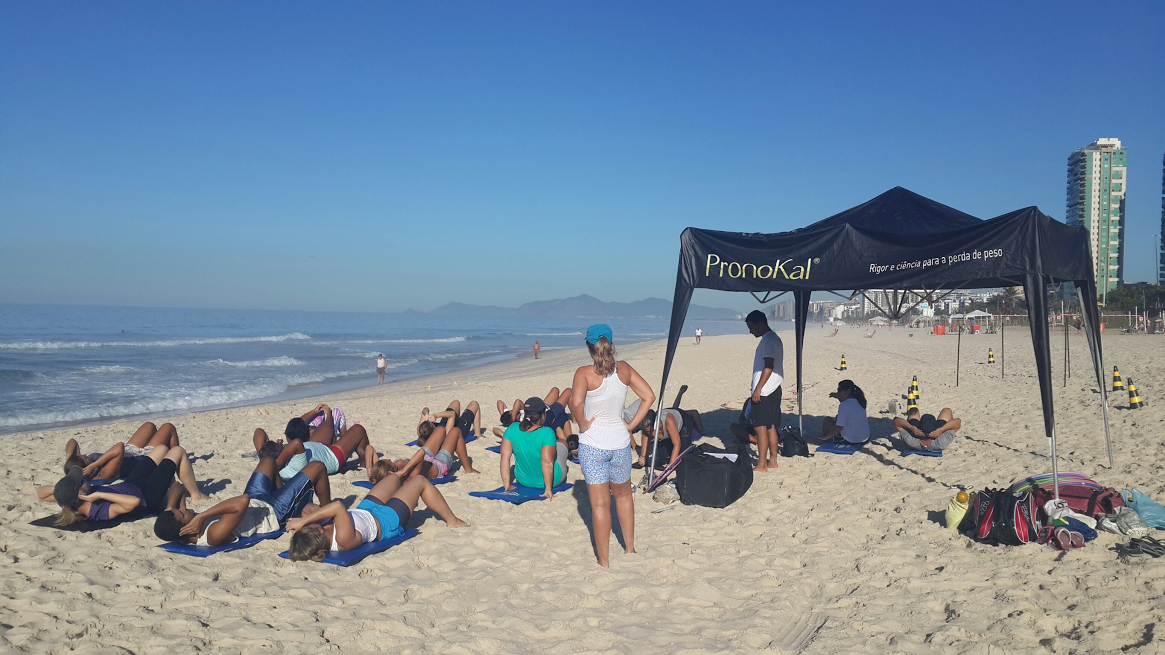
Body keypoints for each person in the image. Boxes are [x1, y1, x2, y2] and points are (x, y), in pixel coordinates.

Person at [569, 324, 655, 568]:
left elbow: (575, 403)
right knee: (624, 496)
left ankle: (604, 562)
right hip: (619, 444)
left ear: (589, 347)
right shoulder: (624, 369)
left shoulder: (583, 373)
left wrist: (584, 424)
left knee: (599, 504)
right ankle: (630, 548)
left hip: (593, 446)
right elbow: (649, 396)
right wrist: (630, 425)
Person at [286, 475, 468, 562]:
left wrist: (307, 519)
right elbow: (338, 507)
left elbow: (308, 509)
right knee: (420, 481)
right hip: (386, 521)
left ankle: (405, 492)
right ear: (317, 531)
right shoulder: (342, 539)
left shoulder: (323, 529)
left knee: (393, 478)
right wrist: (303, 521)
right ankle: (452, 521)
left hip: (365, 510)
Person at [153, 458, 331, 546]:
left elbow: (177, 487)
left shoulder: (189, 520)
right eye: (183, 513)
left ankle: (286, 492)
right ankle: (327, 512)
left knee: (268, 461)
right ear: (185, 529)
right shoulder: (212, 535)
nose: (186, 509)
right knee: (317, 467)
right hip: (274, 512)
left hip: (257, 498)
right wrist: (203, 516)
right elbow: (242, 502)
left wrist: (169, 508)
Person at [39, 444, 204, 526]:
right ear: (80, 492)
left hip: (132, 482)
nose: (86, 479)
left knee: (161, 448)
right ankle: (196, 495)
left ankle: (174, 483)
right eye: (82, 481)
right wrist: (100, 495)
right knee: (178, 451)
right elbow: (134, 502)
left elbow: (41, 493)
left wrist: (64, 486)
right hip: (147, 495)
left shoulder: (69, 500)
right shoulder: (97, 509)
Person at [62, 421, 181, 483]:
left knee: (149, 426)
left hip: (129, 452)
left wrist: (69, 459)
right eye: (84, 458)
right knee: (168, 427)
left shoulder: (88, 468)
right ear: (86, 469)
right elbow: (119, 446)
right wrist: (95, 464)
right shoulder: (103, 473)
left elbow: (73, 442)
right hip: (142, 458)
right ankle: (176, 462)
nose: (85, 455)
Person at [499, 397, 569, 499]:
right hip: (550, 481)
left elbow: (505, 457)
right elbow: (547, 462)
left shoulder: (512, 429)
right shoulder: (547, 432)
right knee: (562, 443)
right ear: (543, 415)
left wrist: (506, 484)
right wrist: (548, 489)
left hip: (523, 480)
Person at [745, 310, 784, 473]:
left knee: (760, 427)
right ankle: (773, 461)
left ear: (760, 324)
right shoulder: (775, 338)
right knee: (771, 426)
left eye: (751, 327)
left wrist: (758, 388)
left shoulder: (768, 340)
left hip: (766, 390)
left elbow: (769, 365)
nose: (750, 331)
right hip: (774, 388)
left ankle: (761, 464)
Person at [625, 398, 702, 470]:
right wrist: (642, 459)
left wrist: (671, 464)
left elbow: (677, 444)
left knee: (682, 457)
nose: (651, 434)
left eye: (652, 430)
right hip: (663, 428)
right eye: (648, 431)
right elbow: (644, 451)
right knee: (663, 458)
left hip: (683, 421)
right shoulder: (646, 427)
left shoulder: (668, 421)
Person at [415, 401, 480, 475]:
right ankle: (478, 433)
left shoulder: (422, 431)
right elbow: (452, 415)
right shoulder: (445, 434)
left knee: (456, 402)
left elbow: (424, 410)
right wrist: (435, 415)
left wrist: (426, 414)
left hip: (446, 422)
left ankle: (458, 422)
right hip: (459, 427)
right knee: (474, 404)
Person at [818, 379, 870, 444]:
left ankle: (826, 441)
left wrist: (825, 437)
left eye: (839, 390)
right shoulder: (859, 400)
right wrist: (837, 396)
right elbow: (847, 404)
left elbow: (839, 427)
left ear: (848, 391)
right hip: (865, 438)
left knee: (827, 420)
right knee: (838, 417)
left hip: (850, 440)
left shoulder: (844, 405)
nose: (838, 393)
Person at [894, 407, 961, 452]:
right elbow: (958, 422)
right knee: (947, 410)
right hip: (937, 430)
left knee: (913, 411)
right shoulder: (940, 442)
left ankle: (915, 416)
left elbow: (896, 421)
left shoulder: (912, 441)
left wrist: (911, 428)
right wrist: (942, 429)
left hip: (918, 429)